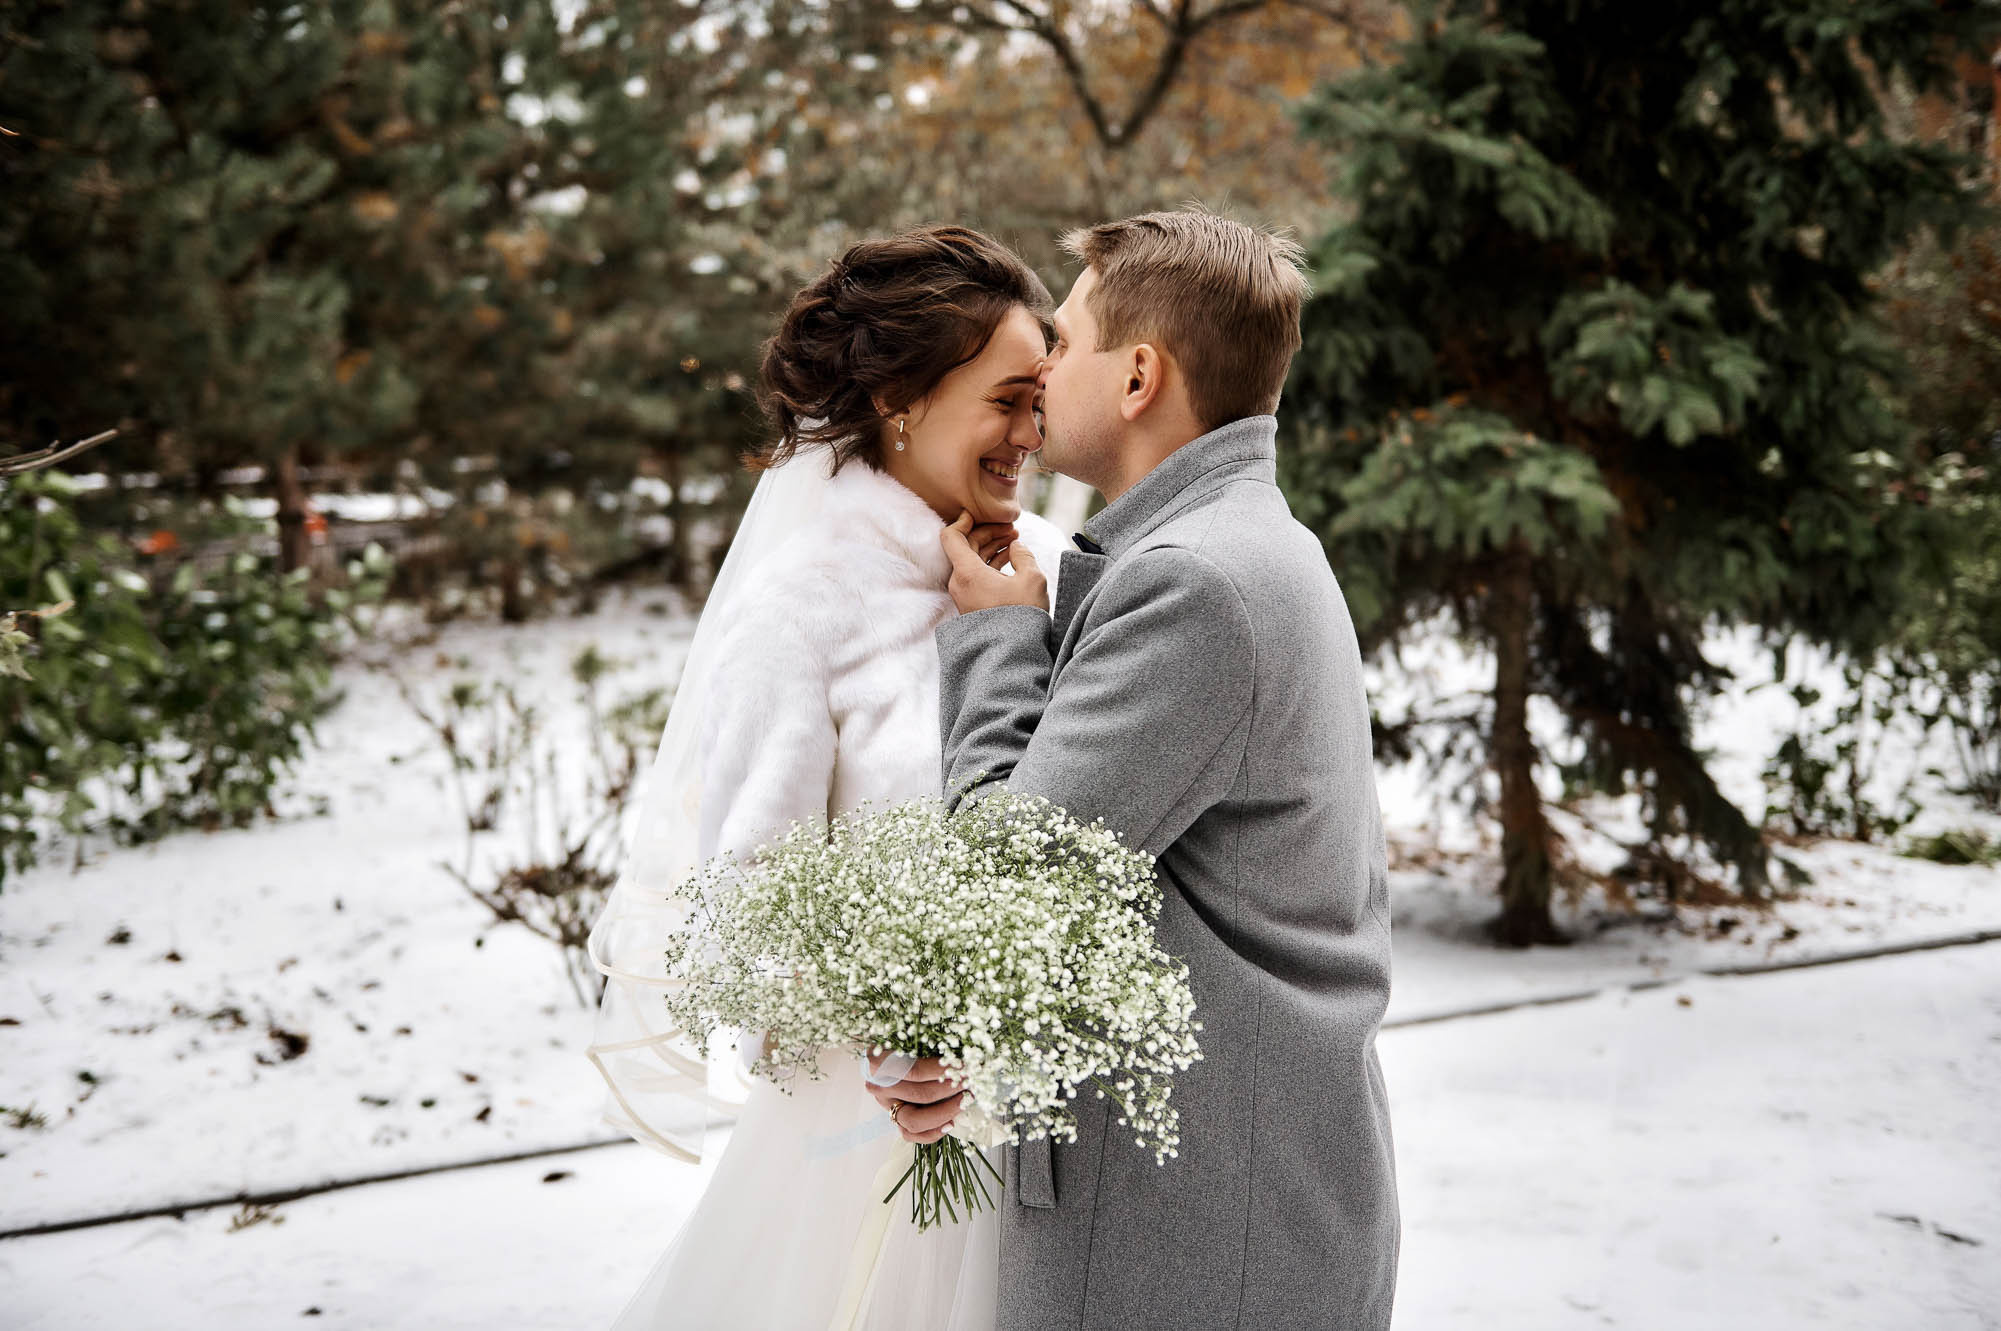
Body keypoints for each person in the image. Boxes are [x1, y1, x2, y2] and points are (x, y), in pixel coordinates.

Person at [584, 224, 1069, 1330]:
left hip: (1052, 1152)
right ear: (900, 398)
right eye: (1006, 400)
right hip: (871, 1160)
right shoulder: (800, 611)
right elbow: (742, 912)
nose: (1032, 434)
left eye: (1041, 399)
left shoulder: (1044, 566)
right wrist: (884, 1041)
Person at [931, 208, 1402, 1329]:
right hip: (1242, 1199)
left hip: (1187, 1229)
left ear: (1138, 375)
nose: (1040, 367)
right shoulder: (1248, 543)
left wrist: (997, 637)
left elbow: (1008, 888)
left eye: (1066, 337)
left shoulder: (1195, 585)